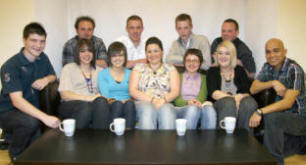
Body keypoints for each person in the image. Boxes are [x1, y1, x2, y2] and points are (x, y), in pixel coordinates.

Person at [0, 22, 60, 159]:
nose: (38, 46)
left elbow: (53, 76)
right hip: (8, 111)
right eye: (33, 40)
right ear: (24, 40)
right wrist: (44, 117)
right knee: (31, 122)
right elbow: (17, 101)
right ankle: (15, 154)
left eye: (42, 41)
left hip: (30, 109)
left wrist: (45, 79)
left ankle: (12, 138)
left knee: (38, 149)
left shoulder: (43, 58)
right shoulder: (10, 66)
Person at [250, 38, 306, 165]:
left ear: (285, 51)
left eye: (276, 51)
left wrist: (260, 111)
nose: (272, 55)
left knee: (271, 117)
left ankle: (275, 162)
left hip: (299, 119)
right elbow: (253, 88)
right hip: (282, 120)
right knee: (264, 146)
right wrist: (273, 83)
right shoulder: (267, 67)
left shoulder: (294, 69)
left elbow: (288, 103)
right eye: (268, 52)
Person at [58, 39, 110, 129]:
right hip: (71, 104)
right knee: (86, 107)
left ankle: (101, 139)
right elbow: (64, 94)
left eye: (90, 50)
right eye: (82, 51)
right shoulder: (68, 68)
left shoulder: (99, 70)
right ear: (77, 53)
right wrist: (87, 98)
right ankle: (74, 141)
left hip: (93, 103)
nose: (87, 54)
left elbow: (106, 91)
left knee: (101, 102)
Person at [206, 40, 257, 132]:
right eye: (220, 53)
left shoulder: (240, 70)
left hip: (240, 104)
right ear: (216, 56)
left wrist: (240, 97)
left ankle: (245, 139)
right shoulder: (212, 71)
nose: (223, 56)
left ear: (232, 56)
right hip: (220, 105)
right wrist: (234, 98)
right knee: (229, 103)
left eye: (227, 53)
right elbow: (214, 93)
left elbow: (246, 92)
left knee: (249, 103)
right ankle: (224, 142)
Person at [129, 37, 180, 129]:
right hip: (143, 103)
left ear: (162, 52)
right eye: (149, 51)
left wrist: (163, 100)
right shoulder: (138, 68)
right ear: (146, 53)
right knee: (148, 108)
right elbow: (132, 90)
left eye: (156, 51)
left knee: (167, 110)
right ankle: (147, 142)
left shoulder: (171, 69)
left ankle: (167, 142)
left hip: (164, 102)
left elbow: (175, 91)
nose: (152, 54)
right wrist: (152, 100)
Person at [174, 48, 216, 129]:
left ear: (200, 63)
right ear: (184, 63)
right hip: (180, 108)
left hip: (198, 106)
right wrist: (188, 103)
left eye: (195, 61)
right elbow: (177, 100)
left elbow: (202, 96)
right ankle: (187, 140)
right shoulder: (178, 77)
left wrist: (196, 102)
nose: (191, 63)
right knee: (193, 108)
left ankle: (209, 141)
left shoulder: (204, 78)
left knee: (209, 110)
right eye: (188, 60)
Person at [98, 42, 136, 129]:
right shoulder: (102, 74)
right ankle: (113, 132)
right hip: (110, 105)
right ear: (109, 58)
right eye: (114, 56)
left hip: (128, 104)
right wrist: (120, 101)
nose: (117, 58)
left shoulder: (131, 73)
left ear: (125, 57)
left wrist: (126, 101)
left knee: (130, 104)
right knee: (117, 104)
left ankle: (128, 134)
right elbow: (105, 96)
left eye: (121, 55)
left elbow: (134, 95)